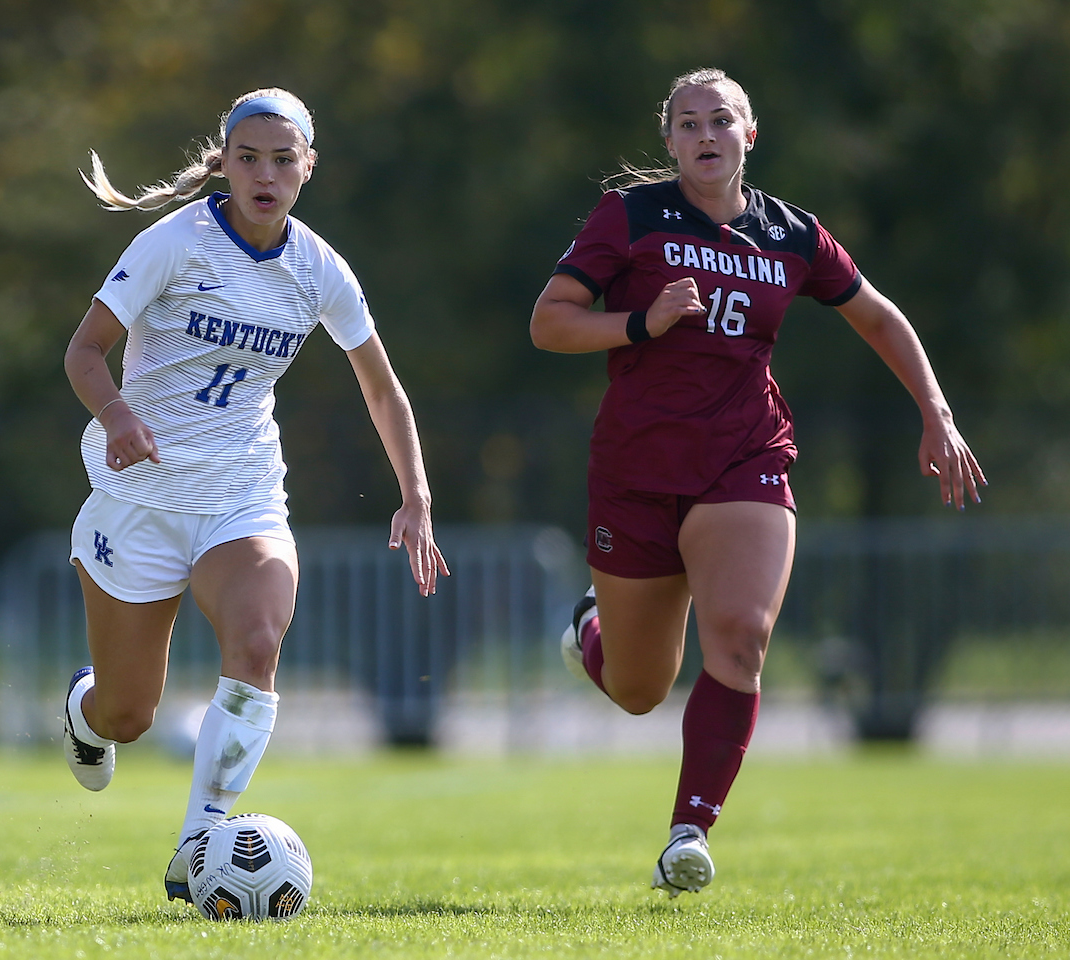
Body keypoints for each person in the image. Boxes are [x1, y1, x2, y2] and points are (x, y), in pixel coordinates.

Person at [530, 68, 985, 898]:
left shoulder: (792, 234)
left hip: (746, 456)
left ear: (750, 134)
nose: (706, 135)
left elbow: (877, 314)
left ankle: (687, 834)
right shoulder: (629, 217)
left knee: (739, 636)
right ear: (669, 142)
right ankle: (591, 633)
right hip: (635, 472)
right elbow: (549, 322)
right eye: (689, 123)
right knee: (638, 690)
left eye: (722, 120)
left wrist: (937, 414)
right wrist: (641, 321)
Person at [62, 87, 448, 902]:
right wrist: (118, 413)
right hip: (142, 497)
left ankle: (201, 836)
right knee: (127, 715)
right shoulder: (176, 241)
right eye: (249, 158)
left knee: (259, 639)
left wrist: (414, 495)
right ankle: (83, 708)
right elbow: (85, 352)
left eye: (283, 159)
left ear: (309, 166)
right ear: (226, 162)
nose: (265, 174)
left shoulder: (318, 268)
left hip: (242, 497)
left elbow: (383, 391)